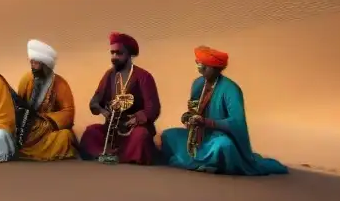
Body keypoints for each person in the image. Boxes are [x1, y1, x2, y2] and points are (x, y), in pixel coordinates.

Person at [160, 46, 288, 176]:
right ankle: (205, 162)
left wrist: (207, 122)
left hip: (219, 137)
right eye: (199, 64)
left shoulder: (231, 89)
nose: (200, 68)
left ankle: (212, 164)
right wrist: (187, 118)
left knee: (224, 146)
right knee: (168, 135)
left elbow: (237, 122)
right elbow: (193, 110)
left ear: (217, 69)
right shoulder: (198, 84)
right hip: (199, 137)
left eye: (205, 66)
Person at [78, 32, 161, 165]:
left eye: (119, 53)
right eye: (112, 53)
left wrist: (135, 119)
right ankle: (106, 153)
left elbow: (153, 108)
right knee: (91, 132)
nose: (114, 57)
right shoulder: (110, 75)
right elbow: (95, 101)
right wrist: (104, 112)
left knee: (141, 136)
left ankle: (120, 156)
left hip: (132, 128)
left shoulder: (143, 76)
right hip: (111, 128)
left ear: (129, 54)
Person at [15, 40, 78, 161]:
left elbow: (68, 112)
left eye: (36, 63)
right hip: (28, 128)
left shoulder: (60, 84)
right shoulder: (26, 79)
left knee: (65, 136)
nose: (32, 66)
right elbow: (19, 105)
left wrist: (46, 120)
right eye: (31, 62)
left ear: (45, 65)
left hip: (47, 128)